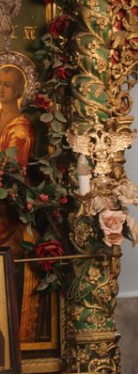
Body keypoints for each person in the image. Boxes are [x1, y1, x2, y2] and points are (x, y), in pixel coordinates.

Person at [0, 64, 42, 343]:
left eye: (6, 84)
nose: (1, 88)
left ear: (18, 91)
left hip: (7, 209)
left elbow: (12, 171)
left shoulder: (21, 128)